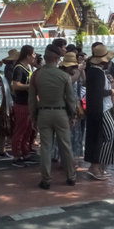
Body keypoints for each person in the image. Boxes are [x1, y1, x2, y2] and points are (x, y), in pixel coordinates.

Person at [28, 44, 77, 190]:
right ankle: (71, 177)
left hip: (43, 113)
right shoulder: (64, 76)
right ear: (57, 58)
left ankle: (46, 180)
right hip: (61, 113)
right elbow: (70, 99)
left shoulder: (36, 75)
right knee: (66, 146)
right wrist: (72, 114)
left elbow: (31, 100)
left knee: (46, 148)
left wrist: (33, 117)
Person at [85, 45, 114, 180]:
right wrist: (112, 91)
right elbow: (98, 92)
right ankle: (96, 164)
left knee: (102, 137)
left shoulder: (95, 71)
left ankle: (98, 165)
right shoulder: (97, 73)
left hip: (99, 109)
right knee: (110, 136)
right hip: (100, 110)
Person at [11, 45, 37, 167]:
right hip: (21, 103)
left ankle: (25, 151)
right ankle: (17, 154)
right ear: (27, 55)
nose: (35, 56)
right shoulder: (19, 68)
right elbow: (15, 85)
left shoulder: (30, 67)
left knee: (28, 129)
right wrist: (30, 87)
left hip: (30, 102)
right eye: (33, 54)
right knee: (20, 129)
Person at [59, 52, 84, 162]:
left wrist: (81, 70)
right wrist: (78, 71)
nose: (73, 68)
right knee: (66, 135)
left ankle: (71, 156)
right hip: (65, 106)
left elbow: (84, 82)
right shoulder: (63, 75)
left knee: (75, 133)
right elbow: (69, 82)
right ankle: (64, 157)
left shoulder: (75, 73)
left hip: (75, 106)